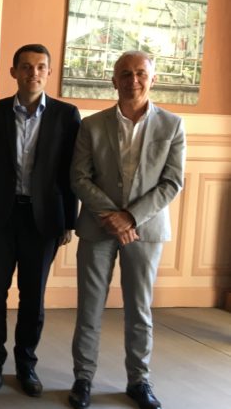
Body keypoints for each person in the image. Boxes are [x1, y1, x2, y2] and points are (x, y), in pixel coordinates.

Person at [68, 51, 185, 409]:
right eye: (125, 74)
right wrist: (113, 216)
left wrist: (131, 218)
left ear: (152, 79)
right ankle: (83, 379)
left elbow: (172, 182)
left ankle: (139, 381)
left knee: (139, 310)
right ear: (113, 80)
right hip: (98, 228)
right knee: (89, 308)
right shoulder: (91, 125)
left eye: (140, 74)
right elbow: (79, 177)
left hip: (145, 230)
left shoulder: (172, 125)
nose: (133, 80)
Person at [0, 44, 81, 397]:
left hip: (44, 218)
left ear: (48, 72)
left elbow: (71, 172)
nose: (33, 72)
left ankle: (26, 365)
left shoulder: (67, 115)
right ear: (14, 72)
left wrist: (69, 221)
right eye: (25, 66)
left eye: (40, 67)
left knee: (33, 297)